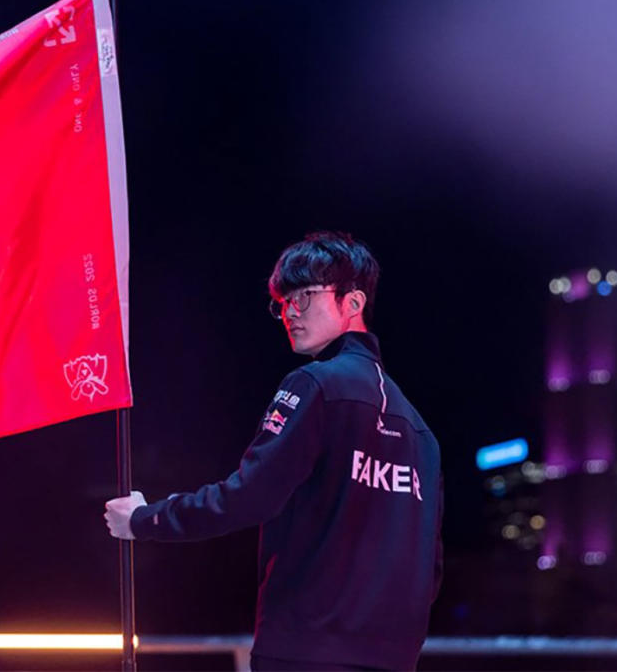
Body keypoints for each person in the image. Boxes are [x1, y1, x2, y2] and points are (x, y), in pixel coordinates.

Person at [104, 231, 443, 671]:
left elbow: (247, 497)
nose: (289, 312)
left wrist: (143, 520)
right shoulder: (422, 434)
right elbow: (429, 568)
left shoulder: (315, 386)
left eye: (304, 296)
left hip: (304, 653)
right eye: (283, 301)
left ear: (353, 303)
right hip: (393, 660)